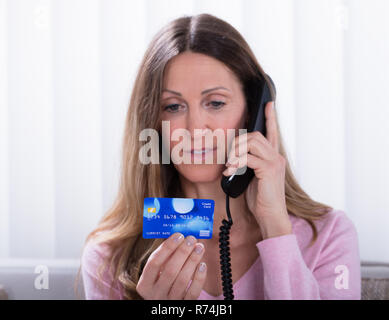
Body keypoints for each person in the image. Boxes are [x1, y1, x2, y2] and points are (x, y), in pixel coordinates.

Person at [79, 13, 361, 300]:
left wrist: (276, 227)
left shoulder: (327, 235)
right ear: (152, 121)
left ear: (254, 113)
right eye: (174, 106)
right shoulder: (109, 257)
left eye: (215, 103)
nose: (195, 128)